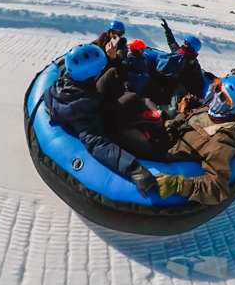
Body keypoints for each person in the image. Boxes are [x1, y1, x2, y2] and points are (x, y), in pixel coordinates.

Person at [44, 44, 158, 196]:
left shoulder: (67, 74)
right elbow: (96, 142)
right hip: (103, 119)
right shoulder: (82, 108)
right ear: (92, 76)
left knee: (112, 73)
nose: (101, 72)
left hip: (90, 96)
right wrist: (133, 169)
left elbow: (66, 68)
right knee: (132, 98)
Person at [148, 75, 235, 205]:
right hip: (166, 135)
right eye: (217, 89)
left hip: (164, 151)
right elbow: (191, 120)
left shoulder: (220, 143)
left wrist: (179, 185)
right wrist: (179, 116)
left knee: (128, 136)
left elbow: (218, 188)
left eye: (223, 97)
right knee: (140, 101)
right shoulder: (212, 111)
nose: (216, 96)